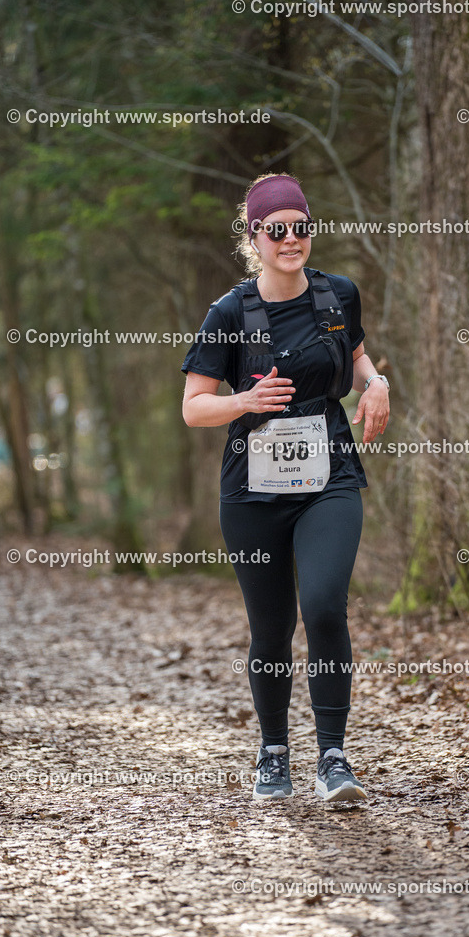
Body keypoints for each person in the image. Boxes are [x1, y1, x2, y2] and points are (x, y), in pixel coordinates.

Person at [181, 173, 390, 802]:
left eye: (301, 226)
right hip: (252, 489)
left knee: (324, 604)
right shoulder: (230, 312)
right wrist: (244, 400)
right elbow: (194, 407)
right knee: (270, 628)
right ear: (256, 237)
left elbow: (355, 360)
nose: (291, 239)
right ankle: (274, 754)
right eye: (278, 230)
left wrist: (376, 382)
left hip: (330, 478)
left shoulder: (338, 296)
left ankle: (334, 757)